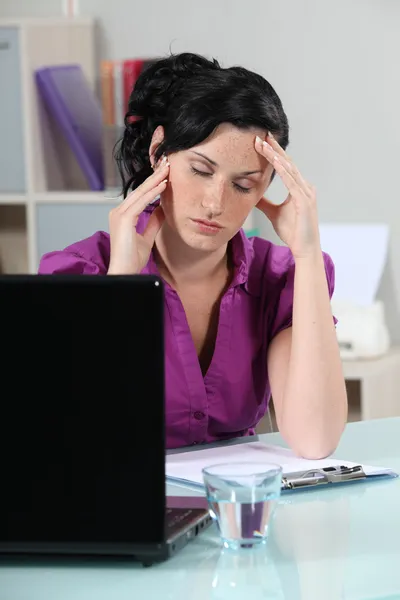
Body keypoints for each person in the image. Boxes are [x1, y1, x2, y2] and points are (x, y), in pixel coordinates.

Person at [39, 52, 348, 457]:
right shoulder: (80, 272)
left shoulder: (281, 279)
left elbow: (315, 440)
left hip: (236, 509)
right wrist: (119, 286)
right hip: (122, 510)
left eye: (244, 185)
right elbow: (74, 435)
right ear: (158, 153)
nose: (214, 203)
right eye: (201, 171)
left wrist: (307, 255)